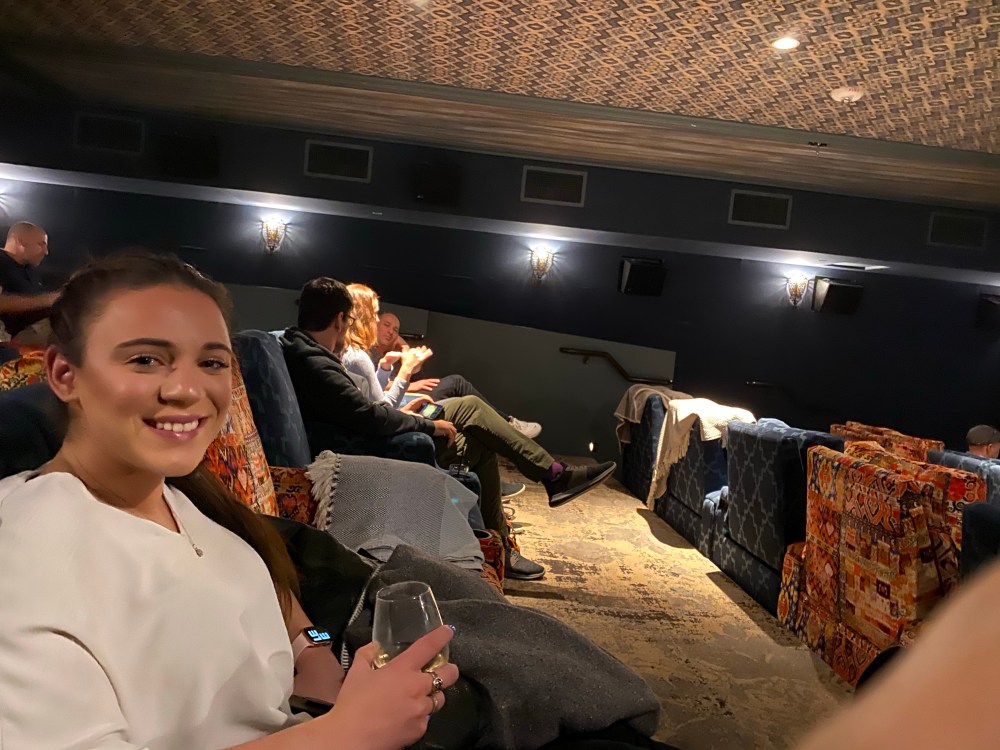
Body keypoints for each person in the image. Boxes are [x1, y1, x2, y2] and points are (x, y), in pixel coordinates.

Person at [0, 252, 460, 749]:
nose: (187, 389)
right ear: (64, 374)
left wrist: (317, 654)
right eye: (145, 359)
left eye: (211, 362)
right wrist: (345, 732)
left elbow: (289, 611)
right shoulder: (26, 553)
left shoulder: (190, 501)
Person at [280, 277, 618, 581]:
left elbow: (365, 412)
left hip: (377, 439)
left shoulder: (303, 350)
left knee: (481, 443)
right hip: (381, 449)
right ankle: (553, 476)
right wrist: (427, 424)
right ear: (340, 319)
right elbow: (371, 417)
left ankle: (502, 543)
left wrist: (412, 412)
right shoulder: (317, 362)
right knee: (468, 405)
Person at [372, 310, 543, 439]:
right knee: (456, 383)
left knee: (436, 380)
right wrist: (411, 385)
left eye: (396, 329)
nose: (391, 332)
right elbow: (373, 386)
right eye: (386, 325)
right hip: (396, 403)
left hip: (404, 394)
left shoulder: (388, 353)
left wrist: (403, 346)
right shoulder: (369, 351)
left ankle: (504, 427)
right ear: (374, 324)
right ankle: (507, 424)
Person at [0, 221, 58, 341]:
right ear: (20, 241)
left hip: (42, 327)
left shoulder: (30, 270)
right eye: (41, 244)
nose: (46, 252)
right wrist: (47, 300)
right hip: (17, 335)